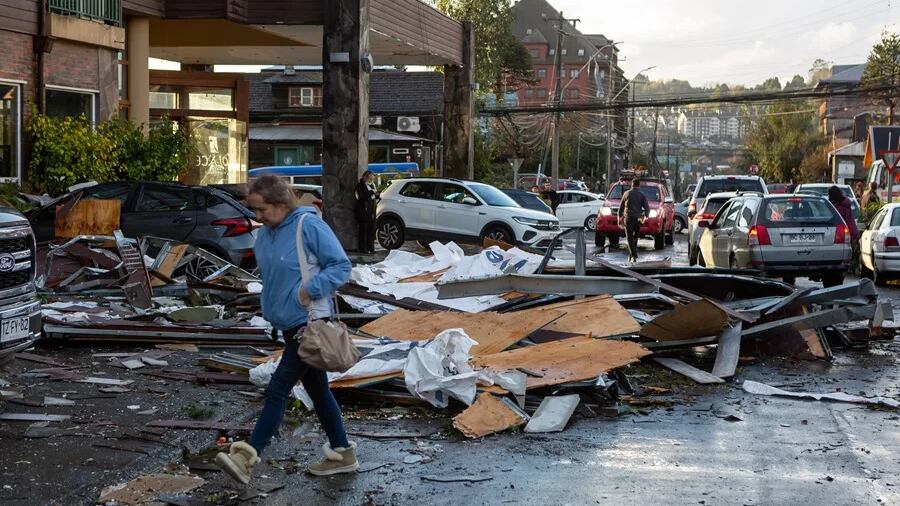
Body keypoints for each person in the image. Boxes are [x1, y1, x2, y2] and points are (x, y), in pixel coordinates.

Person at [216, 175, 356, 485]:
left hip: (309, 323)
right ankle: (343, 453)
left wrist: (309, 290)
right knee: (318, 391)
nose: (257, 216)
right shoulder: (266, 234)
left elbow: (340, 265)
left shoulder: (308, 226)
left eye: (261, 209)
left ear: (280, 204)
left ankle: (248, 456)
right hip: (286, 324)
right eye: (253, 209)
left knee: (278, 388)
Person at [618, 178, 650, 263]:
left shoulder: (626, 193)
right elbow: (647, 208)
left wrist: (619, 217)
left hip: (628, 218)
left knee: (629, 237)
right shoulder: (642, 195)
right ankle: (632, 255)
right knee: (635, 237)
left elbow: (621, 208)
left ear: (632, 185)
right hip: (638, 219)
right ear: (639, 185)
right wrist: (646, 216)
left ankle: (633, 254)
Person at [355, 170, 379, 253]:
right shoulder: (360, 186)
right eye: (370, 178)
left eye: (372, 178)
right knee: (363, 231)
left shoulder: (372, 185)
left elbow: (374, 196)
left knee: (371, 231)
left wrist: (377, 194)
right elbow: (361, 196)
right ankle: (363, 248)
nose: (371, 180)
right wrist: (372, 191)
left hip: (371, 211)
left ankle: (371, 248)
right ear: (366, 177)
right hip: (363, 211)